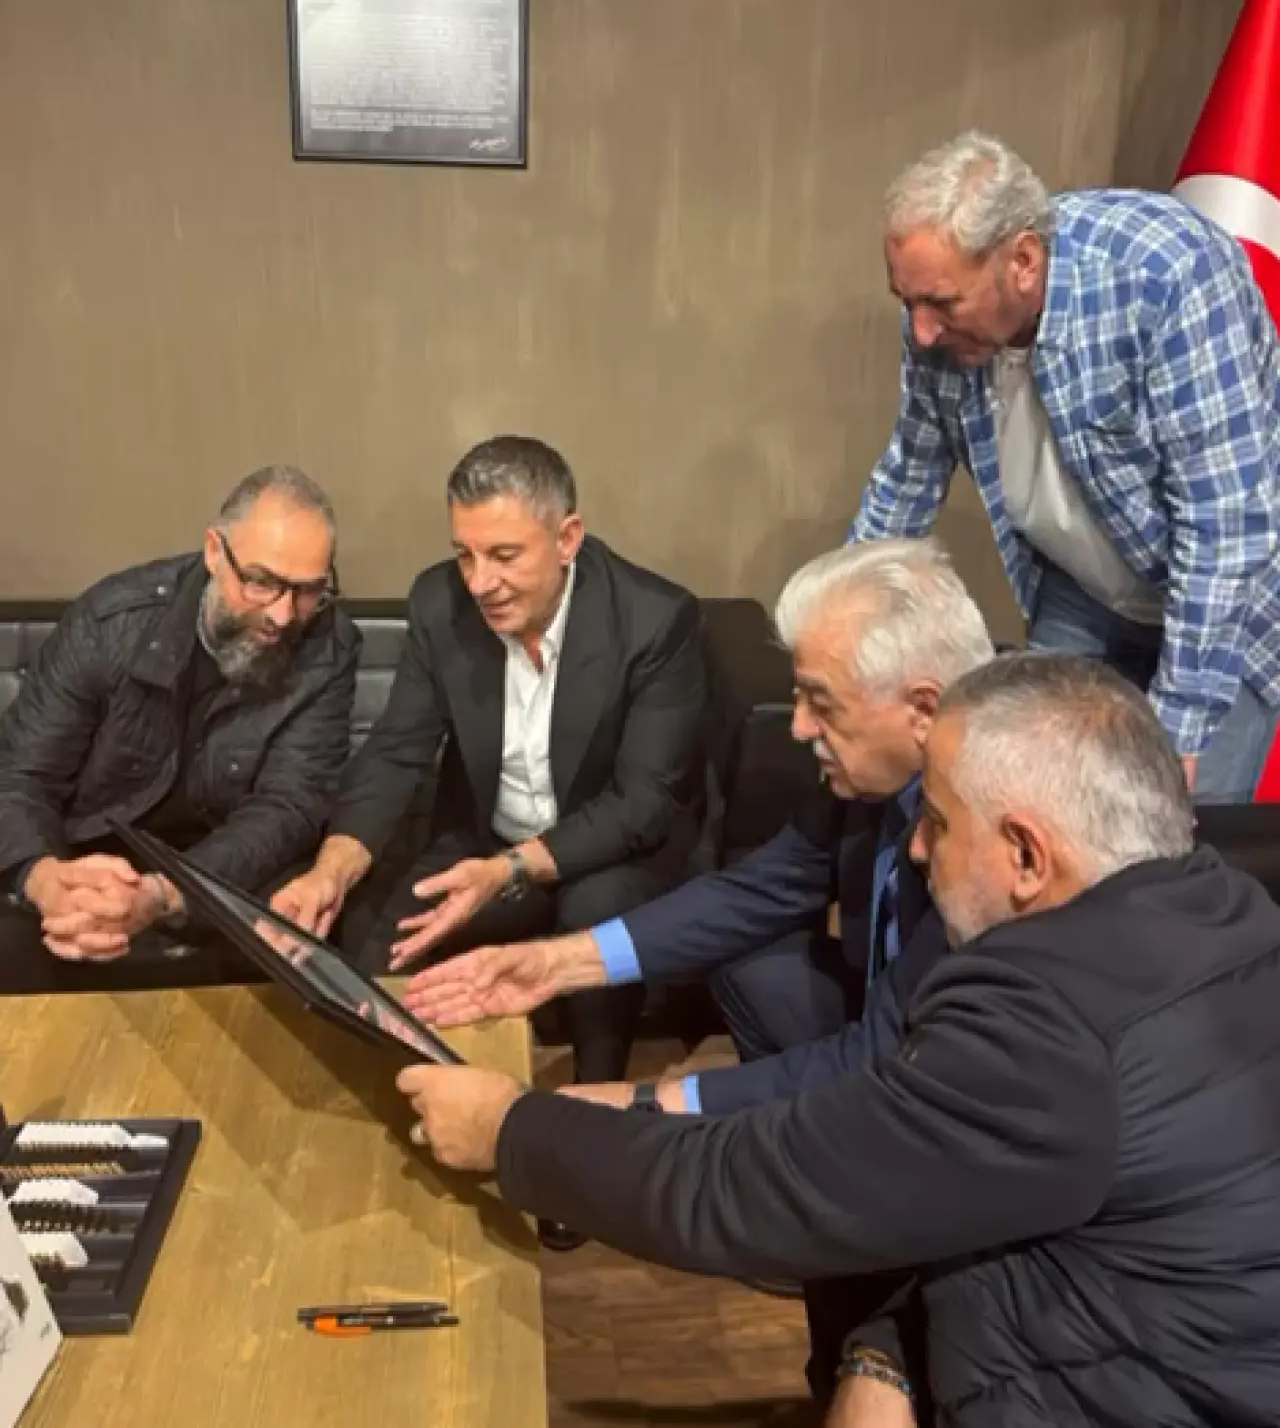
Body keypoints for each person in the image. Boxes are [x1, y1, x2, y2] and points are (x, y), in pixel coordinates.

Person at [398, 653, 1280, 1427]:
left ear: (1026, 855)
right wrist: (883, 1352)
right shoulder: (1231, 906)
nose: (919, 849)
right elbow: (992, 1198)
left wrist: (511, 1130)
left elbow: (748, 1187)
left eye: (937, 821)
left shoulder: (1044, 1022)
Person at [403, 537, 991, 1379]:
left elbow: (877, 1061)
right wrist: (555, 963)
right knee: (755, 970)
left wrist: (629, 1105)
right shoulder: (878, 779)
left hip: (948, 1121)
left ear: (923, 709)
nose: (797, 725)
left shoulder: (983, 854)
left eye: (820, 702)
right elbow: (761, 888)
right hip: (889, 1042)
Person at [274, 436, 706, 1118]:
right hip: (485, 840)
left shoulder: (655, 620)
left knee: (594, 907)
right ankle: (410, 1105)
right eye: (465, 554)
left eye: (504, 556)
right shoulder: (439, 603)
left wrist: (510, 869)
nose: (479, 582)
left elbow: (643, 804)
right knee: (376, 937)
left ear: (567, 538)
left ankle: (589, 1106)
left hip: (613, 851)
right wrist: (331, 871)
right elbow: (395, 752)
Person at [849, 129, 1280, 802]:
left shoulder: (1167, 275)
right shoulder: (935, 326)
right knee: (1030, 799)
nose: (922, 330)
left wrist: (1182, 728)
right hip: (1084, 589)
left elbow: (1224, 525)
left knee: (1171, 831)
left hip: (1224, 609)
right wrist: (843, 627)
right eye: (908, 302)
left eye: (942, 303)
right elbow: (906, 480)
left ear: (1023, 260)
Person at [0, 466, 358, 990]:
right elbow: (21, 777)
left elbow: (288, 806)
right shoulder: (112, 621)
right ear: (214, 551)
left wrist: (164, 893)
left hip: (224, 875)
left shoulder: (330, 646)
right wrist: (46, 879)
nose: (283, 615)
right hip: (84, 862)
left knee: (297, 942)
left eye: (308, 591)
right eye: (261, 582)